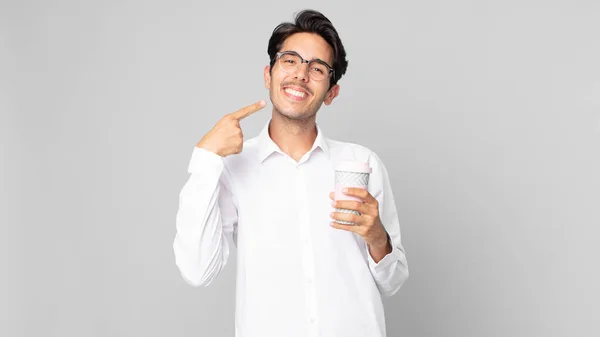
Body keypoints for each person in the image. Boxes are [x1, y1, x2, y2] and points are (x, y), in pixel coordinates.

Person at [173, 9, 409, 337]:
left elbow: (393, 281)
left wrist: (377, 237)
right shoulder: (232, 166)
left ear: (331, 93)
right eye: (290, 60)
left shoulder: (361, 162)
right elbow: (197, 270)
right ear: (269, 75)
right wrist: (206, 158)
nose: (301, 75)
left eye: (317, 68)